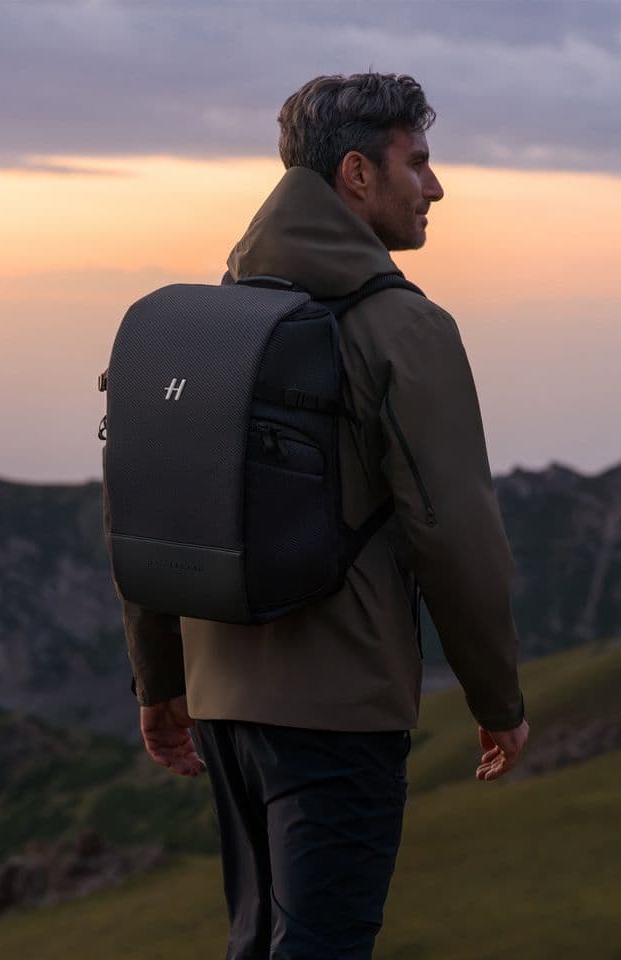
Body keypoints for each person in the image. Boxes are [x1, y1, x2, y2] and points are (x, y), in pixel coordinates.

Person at [103, 72, 529, 959]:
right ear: (356, 176)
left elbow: (148, 499)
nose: (437, 188)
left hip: (223, 702)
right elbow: (453, 531)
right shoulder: (402, 330)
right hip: (341, 709)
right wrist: (498, 698)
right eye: (419, 163)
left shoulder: (203, 324)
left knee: (256, 942)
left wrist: (161, 683)